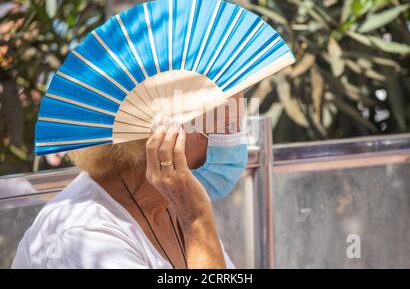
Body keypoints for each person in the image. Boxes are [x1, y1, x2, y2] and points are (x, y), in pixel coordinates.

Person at [12, 94, 248, 269]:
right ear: (169, 133)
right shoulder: (85, 235)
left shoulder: (174, 204)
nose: (240, 141)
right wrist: (197, 221)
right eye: (229, 126)